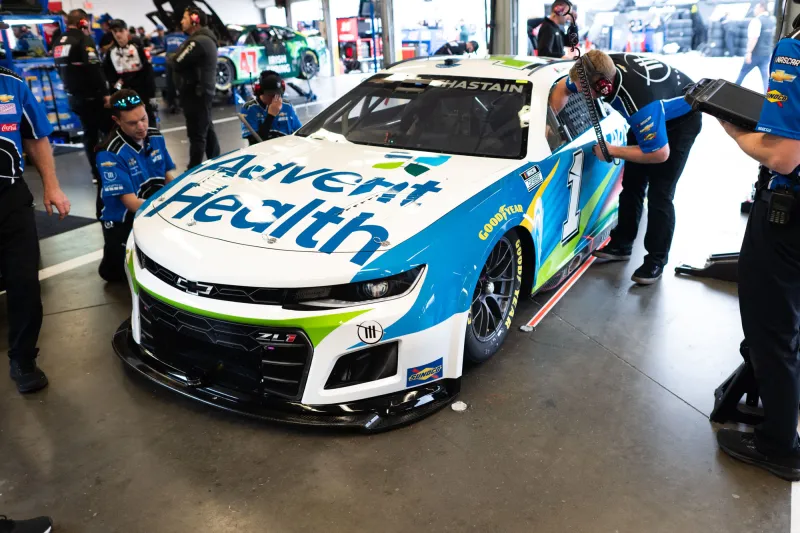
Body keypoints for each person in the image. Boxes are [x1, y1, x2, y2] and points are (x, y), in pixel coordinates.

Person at [715, 18, 800, 481]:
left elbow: (782, 155)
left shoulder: (794, 49)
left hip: (790, 211)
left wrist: (731, 128)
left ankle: (779, 444)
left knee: (771, 329)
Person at [549, 50, 702, 284]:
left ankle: (656, 261)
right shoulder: (594, 67)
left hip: (680, 123)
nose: (580, 93)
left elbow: (660, 153)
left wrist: (612, 150)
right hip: (652, 109)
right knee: (632, 183)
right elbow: (563, 88)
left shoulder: (639, 103)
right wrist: (549, 128)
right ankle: (622, 244)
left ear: (603, 87)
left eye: (585, 90)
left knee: (660, 193)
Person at [0, 63, 70, 393]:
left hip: (11, 198)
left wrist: (52, 186)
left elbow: (36, 137)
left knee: (24, 281)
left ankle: (23, 358)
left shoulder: (12, 84)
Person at [96, 90, 175, 282]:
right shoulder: (109, 153)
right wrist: (166, 211)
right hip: (123, 218)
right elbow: (130, 202)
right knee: (122, 275)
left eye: (144, 119)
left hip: (151, 205)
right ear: (117, 120)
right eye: (132, 123)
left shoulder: (156, 136)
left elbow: (168, 177)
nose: (141, 127)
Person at [53, 9, 112, 194]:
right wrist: (105, 93)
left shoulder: (58, 41)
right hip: (92, 97)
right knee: (112, 132)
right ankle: (113, 171)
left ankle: (96, 173)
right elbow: (94, 67)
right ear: (83, 22)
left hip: (74, 98)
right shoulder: (83, 39)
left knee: (89, 134)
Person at [170, 7, 220, 170]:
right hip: (200, 93)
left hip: (196, 94)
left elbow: (176, 61)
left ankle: (192, 171)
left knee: (197, 135)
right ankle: (218, 163)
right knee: (207, 130)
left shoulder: (198, 41)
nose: (181, 22)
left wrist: (170, 57)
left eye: (184, 18)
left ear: (194, 19)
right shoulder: (203, 39)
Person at [103, 19, 157, 125]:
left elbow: (148, 72)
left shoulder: (138, 48)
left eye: (120, 31)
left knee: (147, 120)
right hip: (122, 93)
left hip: (141, 92)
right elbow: (108, 74)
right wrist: (114, 91)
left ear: (126, 31)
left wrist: (152, 95)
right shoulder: (110, 53)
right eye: (114, 31)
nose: (118, 34)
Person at [241, 70, 302, 144]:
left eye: (278, 95)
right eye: (271, 95)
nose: (275, 99)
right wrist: (270, 116)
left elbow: (299, 133)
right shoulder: (249, 109)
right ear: (260, 92)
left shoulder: (287, 106)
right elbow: (255, 142)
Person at [735, 1, 775, 93]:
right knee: (765, 77)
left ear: (761, 8)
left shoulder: (757, 20)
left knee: (743, 73)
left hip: (755, 54)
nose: (754, 10)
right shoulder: (771, 20)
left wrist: (748, 52)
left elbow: (754, 37)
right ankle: (768, 95)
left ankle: (733, 90)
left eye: (756, 8)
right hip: (766, 53)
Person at [163, 25, 187, 114]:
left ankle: (171, 104)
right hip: (179, 60)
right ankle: (182, 104)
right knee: (181, 83)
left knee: (170, 83)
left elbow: (165, 48)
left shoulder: (167, 37)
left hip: (169, 61)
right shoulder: (186, 37)